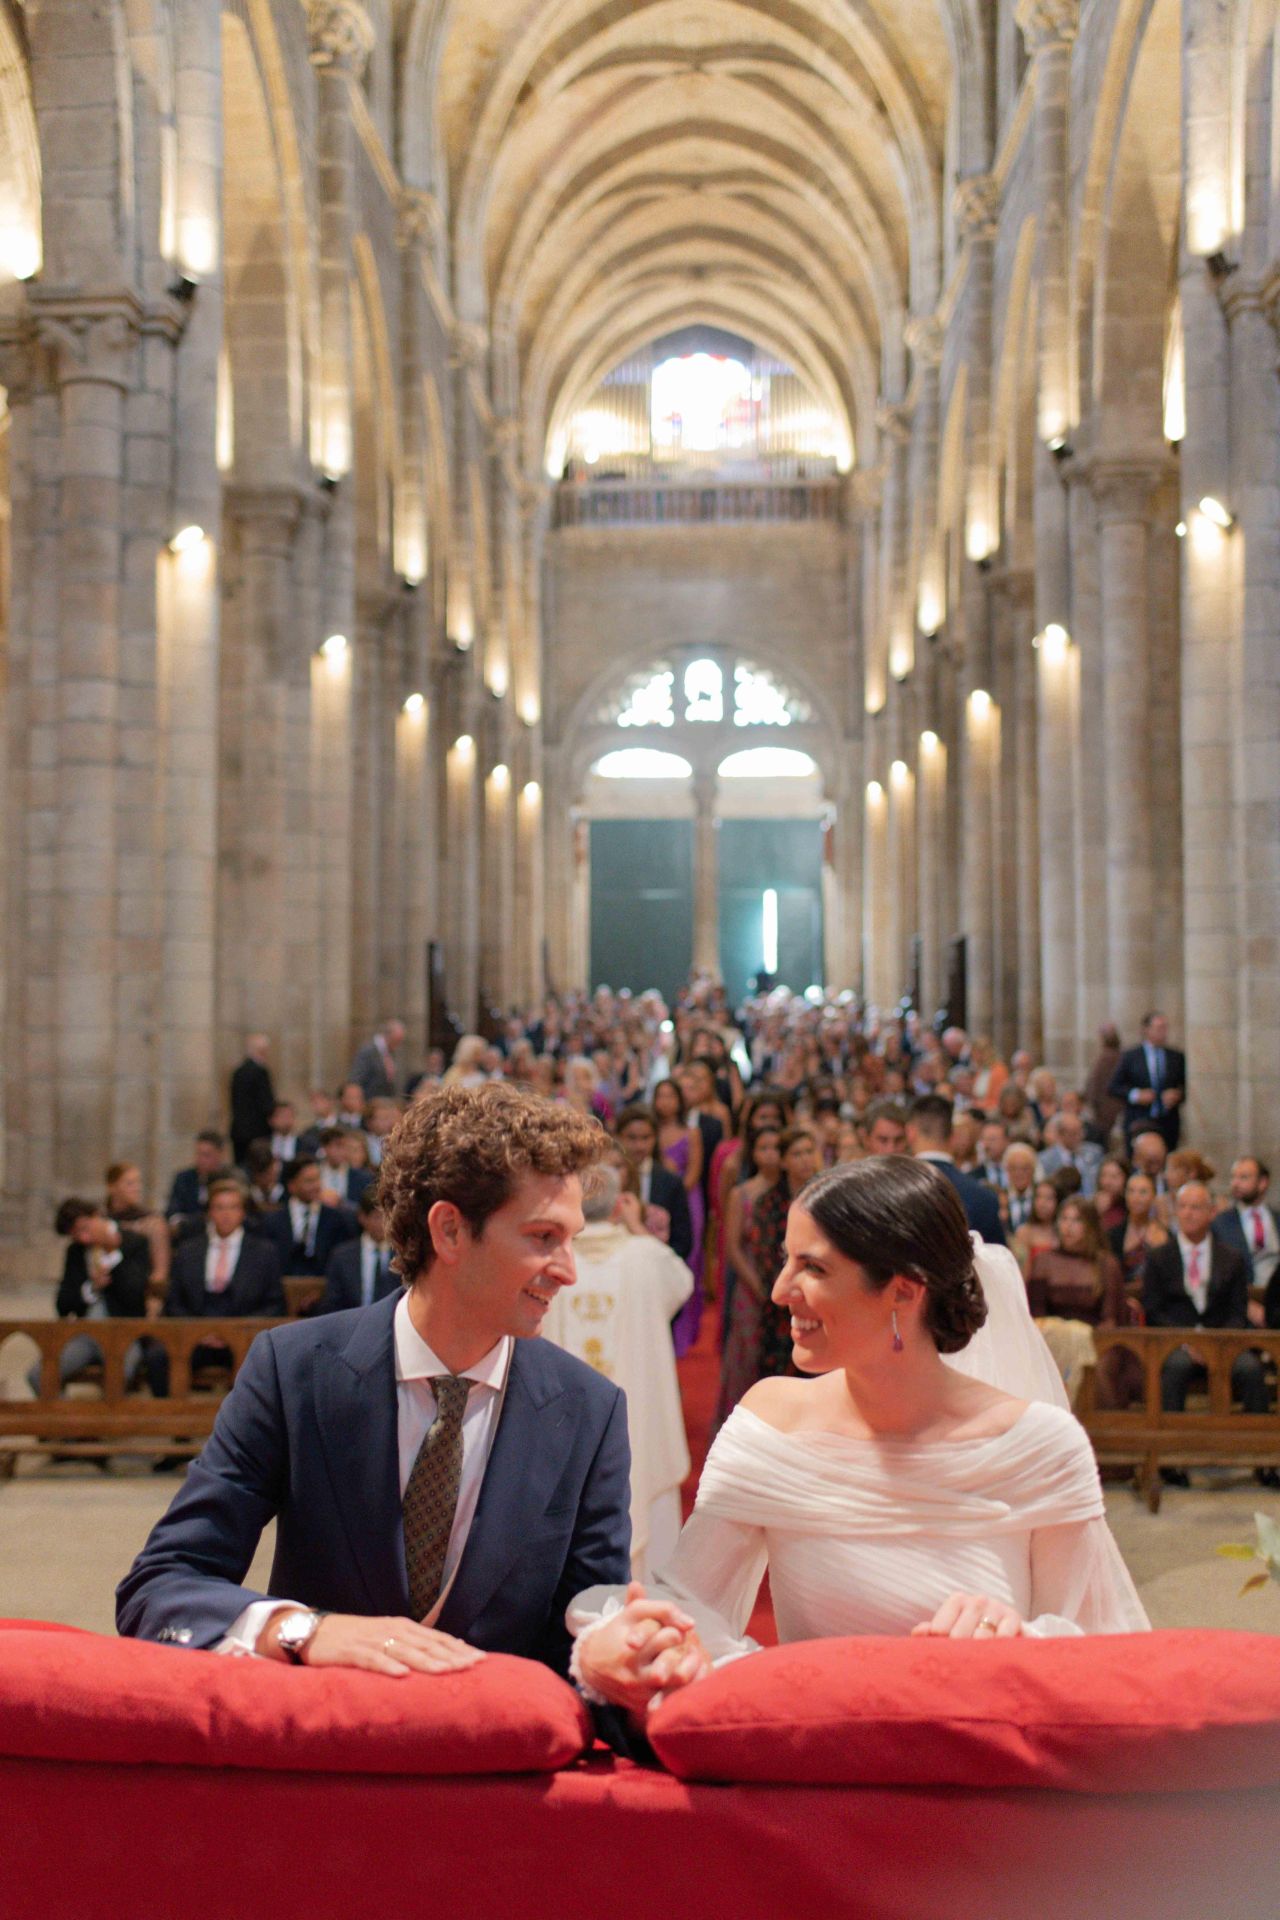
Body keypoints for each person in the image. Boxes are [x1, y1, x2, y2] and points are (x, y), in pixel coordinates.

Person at [571, 1157, 1148, 1715]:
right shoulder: (771, 1427)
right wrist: (619, 1636)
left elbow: (1096, 1647)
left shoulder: (1040, 1446)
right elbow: (688, 1603)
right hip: (820, 1759)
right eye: (785, 1261)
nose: (778, 1290)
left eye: (813, 1269)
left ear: (904, 1290)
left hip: (978, 1767)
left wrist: (1015, 1636)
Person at [117, 1083, 631, 1680]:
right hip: (326, 1748)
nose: (568, 1271)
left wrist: (620, 1660)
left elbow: (585, 1639)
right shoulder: (296, 1371)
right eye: (544, 1238)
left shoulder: (588, 1412)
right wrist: (308, 1631)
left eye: (573, 1241)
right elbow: (160, 1585)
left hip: (488, 1760)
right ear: (450, 1231)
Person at [541, 1165, 692, 1582]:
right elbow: (683, 1282)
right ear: (618, 1204)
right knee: (643, 1479)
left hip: (566, 1421)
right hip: (638, 1419)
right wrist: (637, 1224)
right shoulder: (648, 1258)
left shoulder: (550, 1258)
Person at [1140, 1182, 1272, 1486]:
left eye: (1196, 1207)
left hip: (1222, 1343)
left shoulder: (1231, 1257)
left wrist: (1216, 1344)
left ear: (1212, 1212)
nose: (1188, 1213)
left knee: (1251, 1371)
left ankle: (1264, 1459)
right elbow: (1155, 1310)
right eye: (1183, 1207)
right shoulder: (1161, 1257)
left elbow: (1238, 1312)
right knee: (1173, 1369)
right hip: (1177, 1343)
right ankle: (1171, 1461)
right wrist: (1187, 1342)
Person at [714, 1127, 819, 1429]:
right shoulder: (769, 1203)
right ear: (784, 1161)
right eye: (796, 1154)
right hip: (778, 1303)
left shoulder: (826, 1197)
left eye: (809, 1152)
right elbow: (764, 1255)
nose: (804, 1160)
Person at [29, 1200, 152, 1398]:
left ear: (97, 1215)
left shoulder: (134, 1242)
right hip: (85, 1334)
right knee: (39, 1375)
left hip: (123, 1332)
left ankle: (104, 1426)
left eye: (84, 1229)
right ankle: (70, 1426)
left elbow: (135, 1296)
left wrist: (113, 1255)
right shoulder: (76, 1252)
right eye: (76, 1235)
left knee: (118, 1377)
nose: (84, 1238)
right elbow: (63, 1304)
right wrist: (90, 1288)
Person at [1026, 1197, 1129, 1406]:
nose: (1068, 1227)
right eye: (1064, 1219)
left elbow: (1111, 1320)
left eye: (1076, 1221)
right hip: (1051, 1339)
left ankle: (1101, 1433)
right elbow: (1035, 1315)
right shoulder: (1044, 1261)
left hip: (1093, 1341)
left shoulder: (1105, 1264)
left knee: (1097, 1366)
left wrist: (1082, 1341)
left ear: (1090, 1227)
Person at [907, 1094, 1005, 1245]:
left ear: (911, 1132)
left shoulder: (893, 1192)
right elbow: (998, 1263)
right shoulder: (984, 1199)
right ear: (953, 1136)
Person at [653, 1077, 704, 1351]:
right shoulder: (650, 1131)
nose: (665, 1102)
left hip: (686, 1198)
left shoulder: (691, 1132)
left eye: (671, 1096)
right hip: (657, 1200)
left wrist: (673, 1189)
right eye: (661, 1096)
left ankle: (685, 1332)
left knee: (688, 1258)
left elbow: (695, 1171)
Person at [256, 1157, 359, 1277]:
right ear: (292, 1186)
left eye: (317, 1179)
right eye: (309, 1181)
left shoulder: (337, 1220)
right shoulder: (272, 1222)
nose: (316, 1186)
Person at [615, 1106, 693, 1263]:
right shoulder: (609, 1180)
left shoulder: (671, 1182)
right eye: (632, 1138)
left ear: (655, 1138)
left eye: (646, 1138)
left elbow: (683, 1241)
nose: (639, 1146)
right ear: (618, 1137)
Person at [1213, 1157, 1280, 1327]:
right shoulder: (1221, 1224)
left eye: (1244, 1178)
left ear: (1263, 1182)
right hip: (1242, 1303)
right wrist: (1246, 1304)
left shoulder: (1277, 1219)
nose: (1235, 1183)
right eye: (1233, 1177)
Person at [1109, 1011, 1186, 1150]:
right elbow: (1114, 1087)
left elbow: (1184, 1087)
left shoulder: (1176, 1057)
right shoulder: (1131, 1056)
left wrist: (1176, 1095)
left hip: (1167, 1122)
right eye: (1158, 1028)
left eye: (1165, 1028)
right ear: (1146, 1030)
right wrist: (1136, 1095)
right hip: (1139, 1119)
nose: (1163, 1032)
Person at [319, 1190, 401, 1313]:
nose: (384, 1223)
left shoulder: (403, 1255)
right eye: (378, 1217)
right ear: (362, 1217)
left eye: (388, 1216)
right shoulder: (342, 1256)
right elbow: (333, 1303)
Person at [1109, 1170, 1168, 1288]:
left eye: (1143, 1192)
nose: (1136, 1197)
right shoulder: (1113, 1235)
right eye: (1131, 1191)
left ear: (1154, 1196)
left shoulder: (1164, 1234)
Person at [166, 1131, 230, 1228]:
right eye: (198, 1154)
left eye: (206, 1155)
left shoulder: (228, 1179)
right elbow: (173, 1210)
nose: (201, 1160)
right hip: (186, 1231)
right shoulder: (184, 1178)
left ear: (220, 1155)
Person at [229, 1035, 276, 1166]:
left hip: (238, 1132)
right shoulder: (260, 1071)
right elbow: (266, 1104)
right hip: (258, 1132)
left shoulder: (238, 1071)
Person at [1037, 1112, 1103, 1197]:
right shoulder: (1044, 1160)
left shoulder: (1095, 1154)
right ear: (1060, 1134)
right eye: (1073, 1133)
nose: (1079, 1137)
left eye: (1081, 1131)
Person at [1010, 1178, 1060, 1277]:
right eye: (1038, 1197)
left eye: (1049, 1198)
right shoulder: (1024, 1232)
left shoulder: (1063, 1233)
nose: (1042, 1203)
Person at [1084, 1025, 1124, 1144]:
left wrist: (1092, 1103)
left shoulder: (1106, 1058)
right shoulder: (1118, 1056)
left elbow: (1094, 1085)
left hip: (1106, 1110)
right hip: (1114, 1107)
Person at [350, 1020, 406, 1100]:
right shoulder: (368, 1051)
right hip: (369, 1100)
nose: (398, 1045)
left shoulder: (390, 1052)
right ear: (388, 1035)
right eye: (397, 1041)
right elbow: (356, 1079)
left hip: (385, 1101)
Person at [1001, 1142, 1039, 1233]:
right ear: (1007, 1170)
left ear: (1033, 1170)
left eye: (1025, 1168)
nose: (1019, 1174)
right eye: (1014, 1168)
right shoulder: (999, 1198)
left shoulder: (1039, 1197)